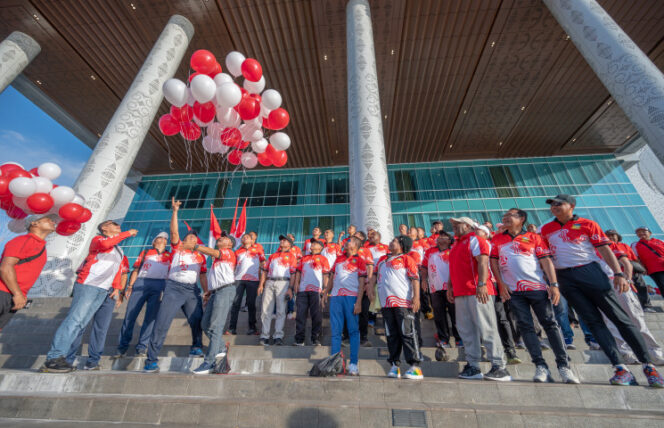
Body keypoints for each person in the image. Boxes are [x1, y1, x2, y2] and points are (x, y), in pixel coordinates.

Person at [540, 194, 663, 387]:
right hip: (566, 278)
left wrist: (618, 274)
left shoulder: (588, 224)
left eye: (559, 204)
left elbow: (605, 249)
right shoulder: (546, 229)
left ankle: (649, 366)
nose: (554, 207)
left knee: (620, 318)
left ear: (571, 206)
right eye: (552, 205)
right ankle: (620, 368)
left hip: (590, 272)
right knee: (594, 322)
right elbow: (545, 257)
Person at [490, 208, 579, 384]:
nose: (506, 218)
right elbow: (494, 261)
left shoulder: (533, 237)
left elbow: (546, 261)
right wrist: (501, 284)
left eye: (511, 216)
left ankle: (564, 366)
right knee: (525, 326)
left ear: (522, 219)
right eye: (504, 216)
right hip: (514, 291)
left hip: (537, 288)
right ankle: (540, 366)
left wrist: (553, 284)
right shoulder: (497, 239)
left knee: (550, 324)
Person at [41, 220, 136, 373]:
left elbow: (118, 270)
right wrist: (127, 233)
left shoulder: (119, 249)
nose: (118, 225)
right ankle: (54, 357)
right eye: (114, 223)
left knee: (82, 323)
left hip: (104, 290)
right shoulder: (98, 240)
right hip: (89, 285)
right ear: (104, 228)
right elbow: (106, 245)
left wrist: (117, 288)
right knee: (75, 321)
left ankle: (68, 359)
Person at [144, 198, 208, 373]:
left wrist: (206, 291)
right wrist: (175, 211)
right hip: (173, 288)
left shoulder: (201, 256)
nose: (192, 238)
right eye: (189, 237)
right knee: (162, 323)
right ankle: (151, 360)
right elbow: (173, 232)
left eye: (194, 237)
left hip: (192, 290)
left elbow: (203, 275)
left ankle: (197, 346)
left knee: (196, 320)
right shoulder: (177, 248)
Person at [448, 216, 511, 381]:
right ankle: (473, 366)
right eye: (453, 224)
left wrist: (482, 284)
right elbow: (453, 268)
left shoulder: (475, 240)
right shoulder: (455, 245)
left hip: (478, 291)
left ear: (468, 226)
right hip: (461, 292)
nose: (454, 226)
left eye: (457, 223)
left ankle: (499, 366)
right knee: (466, 330)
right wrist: (450, 286)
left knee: (487, 328)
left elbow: (483, 263)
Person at [599, 241, 664, 365]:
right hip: (600, 288)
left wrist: (628, 281)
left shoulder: (609, 245)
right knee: (610, 321)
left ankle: (654, 353)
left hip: (619, 284)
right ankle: (626, 353)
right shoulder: (581, 249)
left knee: (635, 318)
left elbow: (627, 264)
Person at [114, 232, 171, 358]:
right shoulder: (145, 252)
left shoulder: (170, 255)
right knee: (130, 315)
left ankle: (142, 347)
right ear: (154, 241)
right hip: (141, 284)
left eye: (165, 239)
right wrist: (130, 286)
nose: (162, 240)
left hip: (159, 285)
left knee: (150, 318)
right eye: (159, 238)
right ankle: (122, 347)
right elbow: (136, 270)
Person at [373, 235, 423, 379]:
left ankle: (415, 366)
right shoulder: (382, 260)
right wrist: (371, 288)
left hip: (403, 302)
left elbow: (415, 279)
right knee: (391, 335)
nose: (391, 242)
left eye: (394, 241)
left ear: (401, 245)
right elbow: (374, 278)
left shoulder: (407, 259)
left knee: (407, 333)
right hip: (386, 304)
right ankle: (395, 366)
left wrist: (416, 297)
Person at [67, 263, 128, 370]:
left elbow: (123, 274)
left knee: (101, 329)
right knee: (79, 324)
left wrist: (120, 291)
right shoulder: (98, 250)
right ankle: (68, 359)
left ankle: (93, 361)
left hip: (110, 293)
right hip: (91, 289)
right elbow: (81, 271)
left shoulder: (121, 255)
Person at [0, 214, 56, 329]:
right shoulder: (23, 240)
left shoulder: (42, 247)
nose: (53, 222)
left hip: (15, 296)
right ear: (34, 223)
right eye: (48, 219)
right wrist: (18, 293)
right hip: (4, 291)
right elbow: (5, 267)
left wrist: (20, 295)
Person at [191, 235, 237, 374]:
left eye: (224, 238)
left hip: (226, 290)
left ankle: (209, 362)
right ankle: (221, 347)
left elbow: (214, 252)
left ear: (230, 244)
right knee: (205, 324)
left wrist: (195, 246)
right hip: (216, 292)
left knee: (216, 326)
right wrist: (209, 291)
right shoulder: (217, 260)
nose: (220, 239)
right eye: (220, 238)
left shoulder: (228, 252)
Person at [476, 224, 521, 365]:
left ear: (487, 234)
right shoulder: (472, 247)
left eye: (480, 232)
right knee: (484, 319)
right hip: (481, 287)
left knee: (502, 317)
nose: (476, 234)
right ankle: (490, 350)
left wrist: (502, 284)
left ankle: (510, 350)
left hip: (496, 284)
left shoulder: (494, 245)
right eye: (475, 232)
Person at [323, 236, 366, 376]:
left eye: (349, 241)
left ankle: (353, 364)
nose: (346, 243)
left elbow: (361, 284)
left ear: (355, 245)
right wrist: (325, 293)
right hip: (336, 298)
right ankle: (335, 364)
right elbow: (332, 278)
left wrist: (359, 302)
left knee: (353, 331)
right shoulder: (339, 259)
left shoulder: (360, 261)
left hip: (351, 297)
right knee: (335, 332)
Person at [421, 231, 459, 349]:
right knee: (439, 315)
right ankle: (444, 339)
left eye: (444, 237)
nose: (440, 238)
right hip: (435, 288)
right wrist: (423, 280)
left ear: (449, 240)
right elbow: (424, 267)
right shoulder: (430, 251)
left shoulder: (453, 250)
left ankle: (459, 339)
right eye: (439, 236)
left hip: (452, 288)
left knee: (455, 314)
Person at [258, 235, 297, 345]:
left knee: (280, 310)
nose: (282, 241)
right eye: (281, 240)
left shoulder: (292, 256)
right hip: (270, 282)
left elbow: (293, 274)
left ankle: (278, 336)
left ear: (289, 244)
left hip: (284, 282)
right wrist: (261, 285)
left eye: (285, 240)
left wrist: (290, 288)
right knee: (266, 310)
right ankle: (264, 335)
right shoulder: (272, 256)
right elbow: (265, 271)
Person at [291, 239, 329, 346]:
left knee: (316, 315)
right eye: (312, 243)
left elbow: (326, 275)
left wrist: (325, 288)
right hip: (303, 290)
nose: (312, 245)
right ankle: (299, 340)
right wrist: (297, 284)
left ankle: (315, 339)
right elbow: (298, 271)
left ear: (321, 247)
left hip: (316, 290)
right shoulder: (304, 258)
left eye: (315, 243)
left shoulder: (323, 259)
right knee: (300, 314)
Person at [605, 229, 653, 312]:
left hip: (632, 271)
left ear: (617, 237)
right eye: (608, 236)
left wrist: (641, 268)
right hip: (615, 273)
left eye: (613, 235)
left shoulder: (625, 246)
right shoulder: (605, 248)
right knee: (619, 291)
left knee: (641, 287)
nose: (611, 237)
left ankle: (646, 306)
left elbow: (634, 258)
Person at [227, 233, 265, 335]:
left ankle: (252, 328)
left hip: (253, 280)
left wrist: (262, 282)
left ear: (252, 240)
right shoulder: (238, 251)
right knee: (235, 304)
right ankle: (232, 328)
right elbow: (233, 266)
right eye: (243, 237)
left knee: (251, 304)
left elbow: (263, 265)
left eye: (247, 237)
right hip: (238, 279)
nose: (245, 238)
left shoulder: (258, 250)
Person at [354, 231, 374, 347]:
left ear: (362, 238)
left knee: (364, 312)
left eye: (356, 236)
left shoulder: (366, 251)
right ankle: (347, 337)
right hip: (350, 287)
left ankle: (364, 338)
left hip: (364, 285)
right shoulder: (348, 250)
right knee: (350, 313)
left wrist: (369, 283)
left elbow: (370, 267)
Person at [632, 226, 664, 298]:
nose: (641, 233)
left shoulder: (660, 241)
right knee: (662, 285)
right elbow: (636, 258)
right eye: (638, 232)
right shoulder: (635, 245)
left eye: (644, 231)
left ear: (650, 233)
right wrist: (642, 268)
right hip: (654, 269)